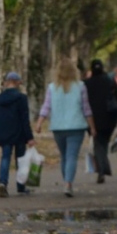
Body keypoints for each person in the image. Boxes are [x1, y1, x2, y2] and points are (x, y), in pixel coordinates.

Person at [35, 58, 96, 197]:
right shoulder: (80, 86)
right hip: (76, 127)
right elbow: (86, 109)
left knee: (64, 156)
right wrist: (92, 127)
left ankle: (66, 181)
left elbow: (46, 107)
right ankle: (68, 183)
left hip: (58, 127)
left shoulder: (52, 87)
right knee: (71, 156)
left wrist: (39, 123)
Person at [0, 71, 35, 197]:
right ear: (18, 82)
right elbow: (25, 119)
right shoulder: (21, 98)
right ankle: (21, 186)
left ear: (7, 82)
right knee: (20, 160)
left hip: (3, 132)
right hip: (19, 133)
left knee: (5, 157)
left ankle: (3, 183)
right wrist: (29, 137)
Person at [84, 59, 117, 184]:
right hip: (110, 118)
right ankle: (104, 167)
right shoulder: (110, 81)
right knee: (103, 142)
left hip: (92, 118)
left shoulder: (86, 84)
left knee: (98, 143)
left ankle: (102, 170)